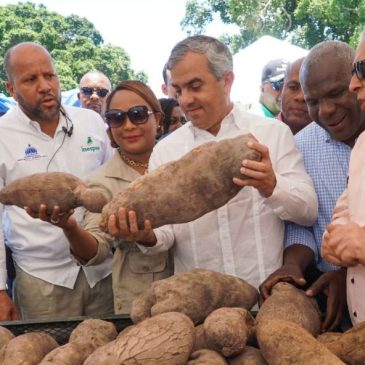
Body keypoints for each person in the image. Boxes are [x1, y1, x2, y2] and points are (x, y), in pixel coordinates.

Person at [106, 35, 318, 291]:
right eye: (179, 89)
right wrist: (146, 236)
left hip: (266, 294)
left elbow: (307, 212)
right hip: (201, 302)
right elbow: (167, 235)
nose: (185, 100)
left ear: (226, 80)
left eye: (195, 86)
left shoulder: (272, 134)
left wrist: (271, 185)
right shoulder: (166, 150)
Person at [34, 80, 174, 315]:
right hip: (145, 305)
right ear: (108, 127)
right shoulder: (101, 182)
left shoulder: (181, 160)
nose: (128, 125)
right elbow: (96, 250)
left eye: (138, 114)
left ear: (158, 120)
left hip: (199, 288)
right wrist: (69, 227)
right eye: (116, 118)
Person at [0, 42, 113, 321]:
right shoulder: (2, 135)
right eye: (30, 79)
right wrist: (0, 289)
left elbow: (111, 188)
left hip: (103, 274)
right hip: (42, 282)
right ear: (11, 89)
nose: (45, 86)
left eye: (49, 75)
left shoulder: (91, 123)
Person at [260, 40, 365, 332]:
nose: (326, 110)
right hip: (331, 301)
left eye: (335, 93)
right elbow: (303, 221)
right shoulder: (300, 147)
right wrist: (293, 264)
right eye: (313, 101)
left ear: (355, 82)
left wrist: (348, 274)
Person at [322, 30, 365, 325]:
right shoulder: (362, 144)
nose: (353, 84)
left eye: (362, 69)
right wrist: (335, 236)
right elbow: (347, 207)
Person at [277, 57, 311, 134]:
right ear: (281, 90)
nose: (301, 97)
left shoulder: (333, 142)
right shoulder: (259, 134)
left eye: (309, 91)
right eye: (293, 87)